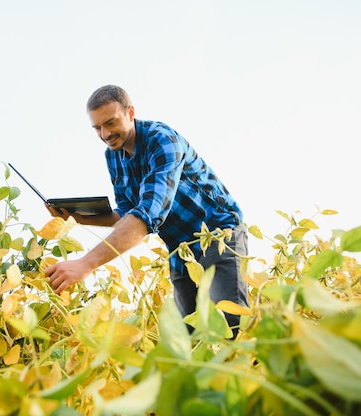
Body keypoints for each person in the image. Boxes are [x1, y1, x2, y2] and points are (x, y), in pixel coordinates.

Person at [44, 85, 249, 335]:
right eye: (97, 128)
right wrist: (74, 217)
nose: (105, 134)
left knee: (230, 328)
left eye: (110, 122)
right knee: (191, 337)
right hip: (180, 250)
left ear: (130, 113)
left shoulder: (162, 140)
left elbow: (148, 215)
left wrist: (86, 263)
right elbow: (127, 213)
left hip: (218, 235)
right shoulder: (114, 156)